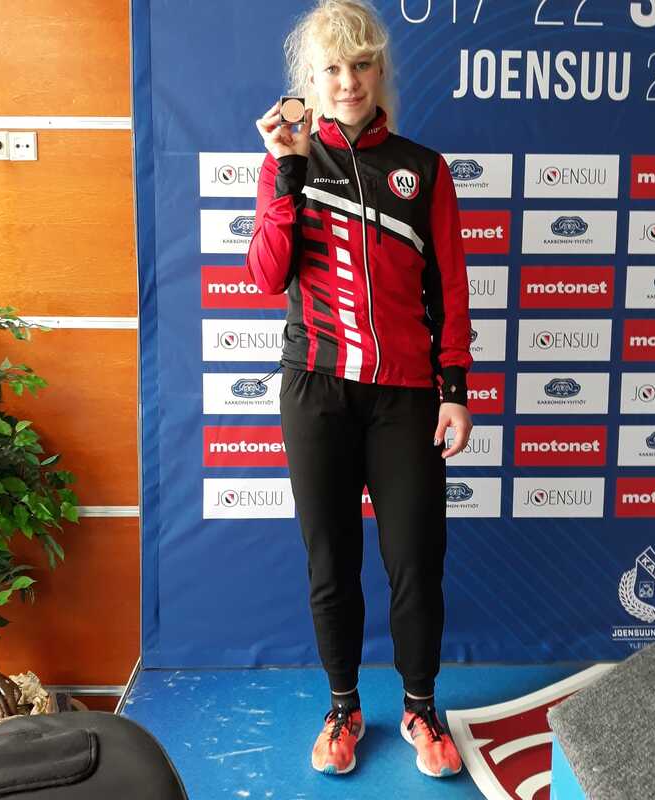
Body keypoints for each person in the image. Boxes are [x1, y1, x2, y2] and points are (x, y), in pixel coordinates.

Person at [245, 0, 474, 779]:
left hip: (405, 394)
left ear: (380, 71)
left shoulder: (423, 168)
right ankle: (342, 708)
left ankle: (420, 709)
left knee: (416, 561)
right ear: (311, 79)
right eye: (333, 68)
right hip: (316, 388)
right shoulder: (290, 160)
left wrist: (454, 387)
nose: (348, 81)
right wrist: (286, 172)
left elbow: (449, 288)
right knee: (330, 563)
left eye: (362, 64)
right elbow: (266, 274)